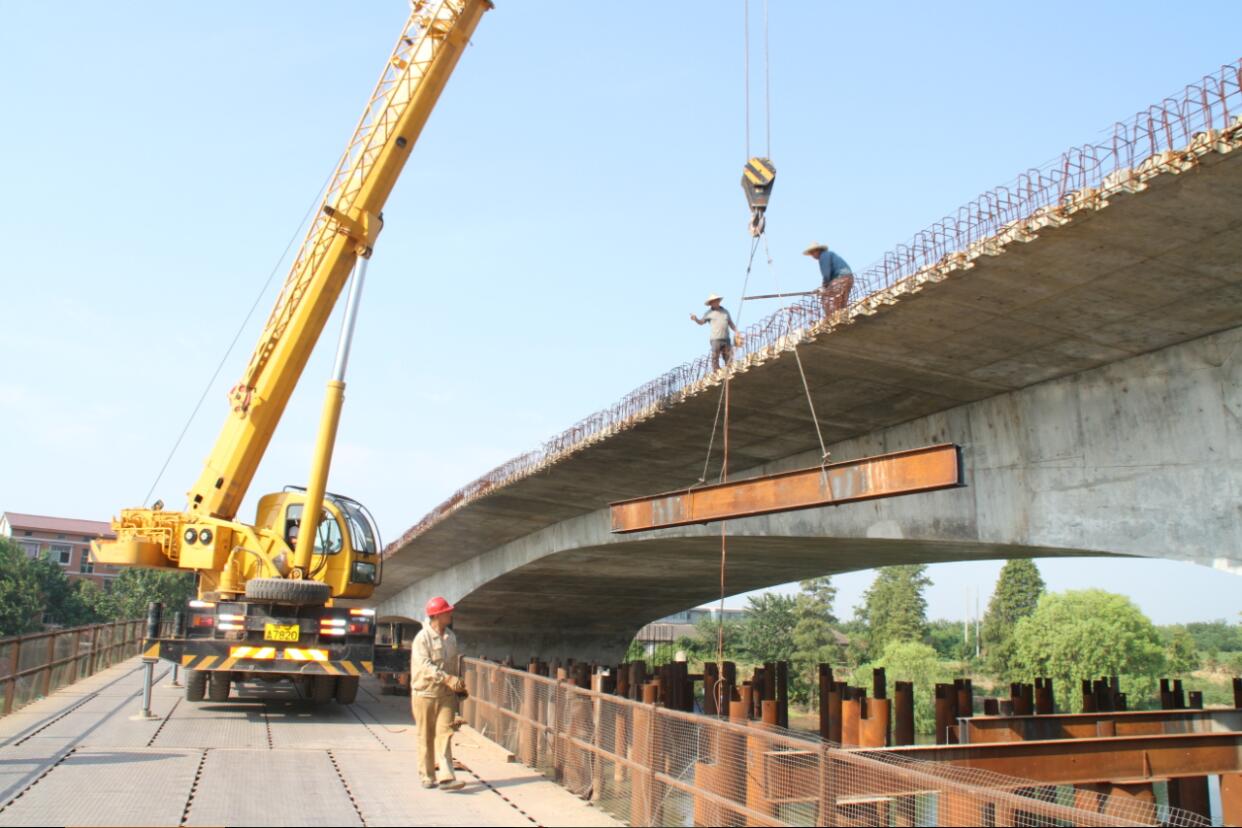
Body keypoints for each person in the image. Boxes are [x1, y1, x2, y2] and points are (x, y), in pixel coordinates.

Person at [410, 596, 467, 790]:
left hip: (446, 694)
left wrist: (457, 685)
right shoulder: (422, 638)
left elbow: (452, 664)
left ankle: (446, 776)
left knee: (446, 733)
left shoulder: (450, 637)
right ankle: (427, 776)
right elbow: (425, 666)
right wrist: (447, 679)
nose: (450, 614)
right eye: (447, 612)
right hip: (425, 693)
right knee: (425, 735)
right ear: (437, 615)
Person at [690, 294, 743, 370]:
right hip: (715, 339)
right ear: (711, 303)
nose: (715, 302)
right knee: (715, 358)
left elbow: (730, 323)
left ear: (718, 301)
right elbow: (701, 322)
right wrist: (695, 319)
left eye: (716, 301)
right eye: (713, 301)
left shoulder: (725, 312)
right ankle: (716, 372)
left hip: (726, 338)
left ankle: (729, 370)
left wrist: (737, 332)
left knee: (728, 357)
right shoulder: (708, 313)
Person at [803, 242, 853, 318]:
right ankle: (842, 313)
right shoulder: (829, 254)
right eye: (811, 254)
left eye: (813, 253)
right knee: (841, 298)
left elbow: (826, 274)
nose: (813, 255)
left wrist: (823, 287)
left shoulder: (824, 256)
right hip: (849, 278)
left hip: (840, 278)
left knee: (825, 297)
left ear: (818, 250)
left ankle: (831, 317)